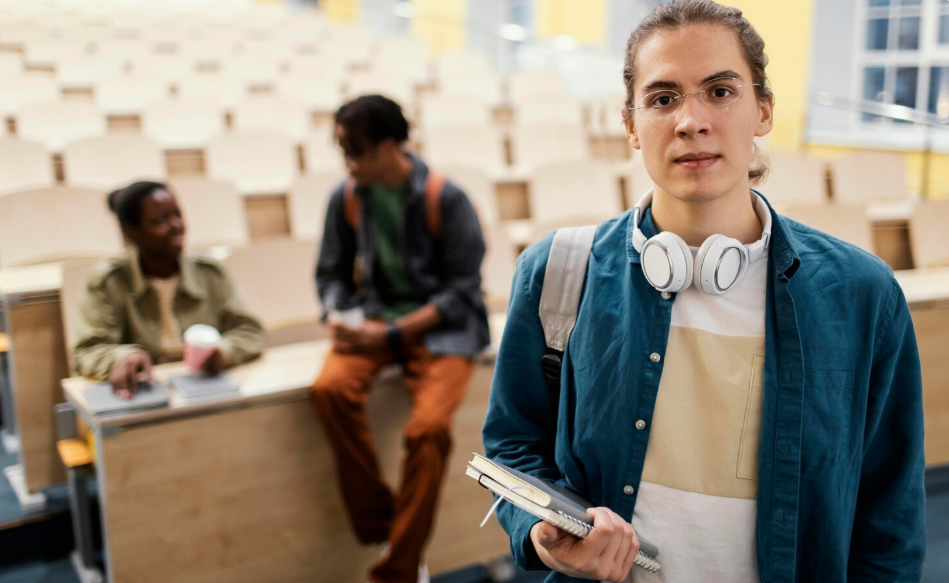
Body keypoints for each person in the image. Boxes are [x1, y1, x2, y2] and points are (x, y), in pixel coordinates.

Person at [482, 1, 926, 582]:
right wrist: (540, 530)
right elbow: (514, 447)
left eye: (719, 92)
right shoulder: (559, 271)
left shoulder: (861, 296)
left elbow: (887, 516)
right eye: (663, 98)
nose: (690, 121)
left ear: (763, 110)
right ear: (631, 126)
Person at [310, 95, 490, 583]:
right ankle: (384, 524)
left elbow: (464, 290)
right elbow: (330, 273)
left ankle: (400, 567)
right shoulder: (346, 194)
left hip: (443, 331)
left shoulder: (445, 196)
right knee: (328, 390)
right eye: (343, 151)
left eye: (357, 151)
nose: (348, 163)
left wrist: (392, 332)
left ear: (390, 145)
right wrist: (336, 313)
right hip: (374, 321)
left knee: (428, 430)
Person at [74, 181, 265, 398]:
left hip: (207, 390)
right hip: (145, 394)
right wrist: (124, 357)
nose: (176, 225)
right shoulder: (108, 282)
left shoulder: (209, 273)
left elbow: (250, 330)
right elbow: (88, 351)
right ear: (133, 232)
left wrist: (224, 352)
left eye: (178, 215)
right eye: (161, 220)